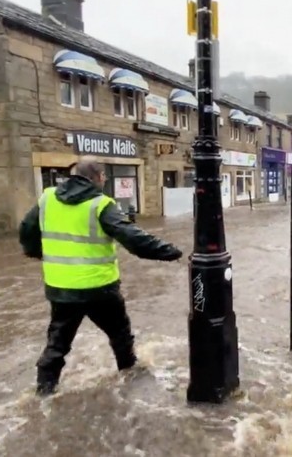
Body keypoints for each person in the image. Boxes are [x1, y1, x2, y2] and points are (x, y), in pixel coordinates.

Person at [19, 156, 183, 396]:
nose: (105, 180)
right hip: (100, 289)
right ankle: (130, 380)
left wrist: (35, 252)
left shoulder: (48, 198)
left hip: (61, 289)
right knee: (120, 336)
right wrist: (170, 252)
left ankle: (43, 393)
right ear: (97, 177)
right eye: (104, 176)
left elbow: (26, 229)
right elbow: (133, 238)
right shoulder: (101, 204)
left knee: (57, 345)